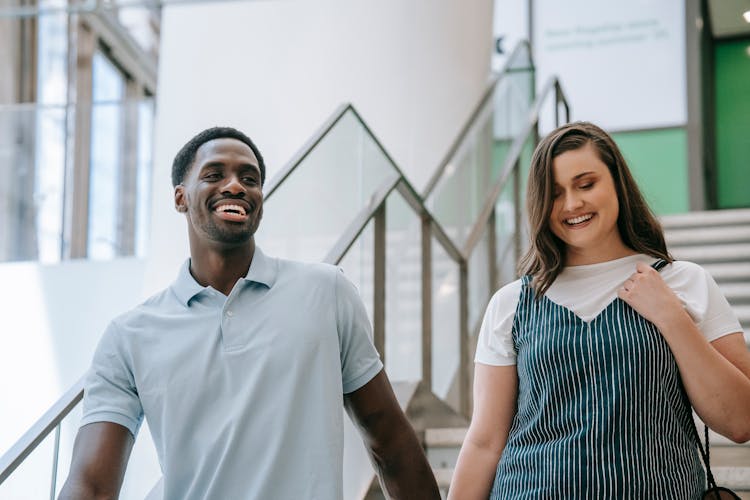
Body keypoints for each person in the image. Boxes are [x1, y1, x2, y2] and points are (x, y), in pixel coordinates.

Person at [59, 127, 440, 500]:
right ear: (180, 198)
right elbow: (91, 486)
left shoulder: (327, 292)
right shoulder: (129, 336)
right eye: (214, 175)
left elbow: (388, 438)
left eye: (249, 178)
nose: (236, 186)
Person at [448, 122, 750, 499]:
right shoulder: (511, 304)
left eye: (586, 184)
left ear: (617, 183)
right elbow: (484, 442)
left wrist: (671, 317)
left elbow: (740, 421)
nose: (572, 204)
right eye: (555, 193)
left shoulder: (685, 283)